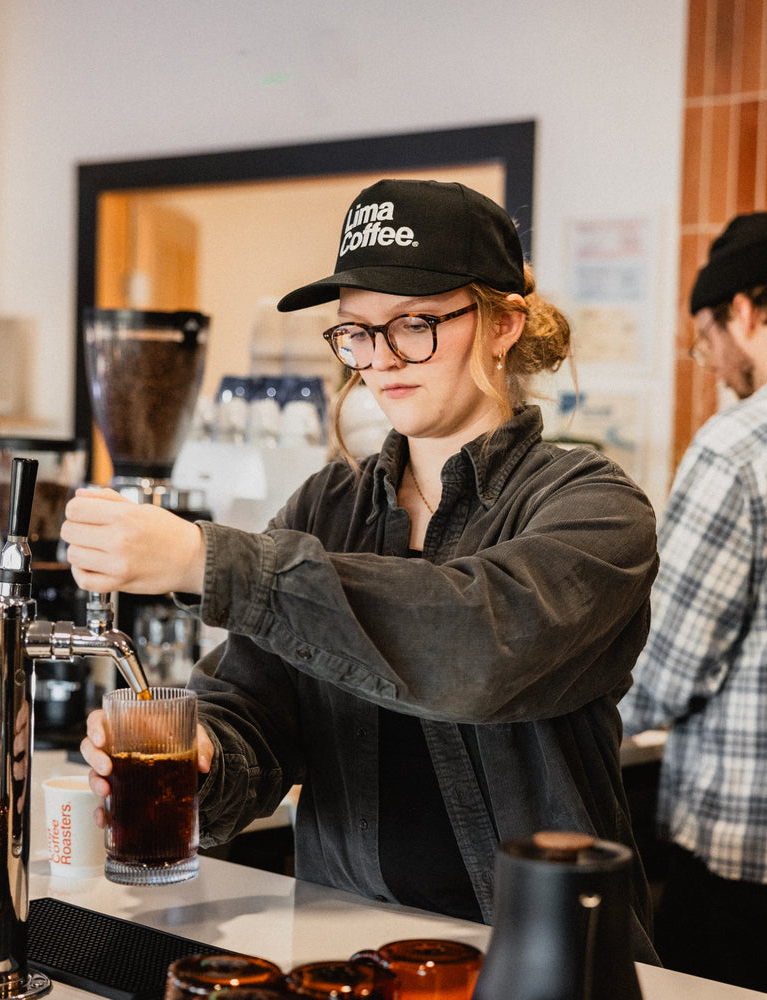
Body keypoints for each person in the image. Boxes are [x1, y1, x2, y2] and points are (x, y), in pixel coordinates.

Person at [64, 179, 659, 960]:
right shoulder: (327, 507)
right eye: (356, 333)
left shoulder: (594, 507)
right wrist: (204, 758)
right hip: (351, 954)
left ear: (504, 324)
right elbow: (256, 711)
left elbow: (479, 646)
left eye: (414, 324)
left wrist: (205, 557)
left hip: (541, 956)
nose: (380, 361)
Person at [619, 212, 767, 991]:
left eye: (704, 337)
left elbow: (669, 659)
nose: (710, 363)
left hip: (745, 859)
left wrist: (560, 729)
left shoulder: (737, 444)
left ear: (743, 310)